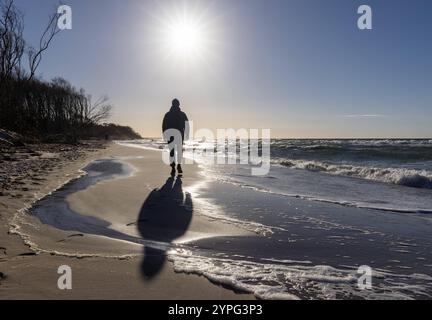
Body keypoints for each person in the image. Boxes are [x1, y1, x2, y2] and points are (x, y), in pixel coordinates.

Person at [162, 99, 189, 176]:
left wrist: (164, 134)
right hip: (176, 135)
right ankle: (175, 167)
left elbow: (186, 125)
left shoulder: (169, 114)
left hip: (174, 135)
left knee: (173, 152)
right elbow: (164, 125)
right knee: (176, 152)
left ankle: (175, 167)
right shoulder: (180, 114)